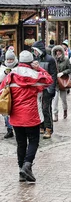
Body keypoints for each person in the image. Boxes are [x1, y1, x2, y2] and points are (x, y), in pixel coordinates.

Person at [0, 51, 53, 182]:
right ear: (31, 61)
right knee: (34, 141)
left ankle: (21, 171)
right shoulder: (36, 75)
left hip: (16, 116)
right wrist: (39, 68)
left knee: (21, 143)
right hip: (32, 115)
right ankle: (27, 165)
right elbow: (49, 80)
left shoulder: (11, 75)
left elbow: (2, 90)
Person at [32, 41, 57, 139]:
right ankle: (41, 126)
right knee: (39, 108)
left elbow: (53, 75)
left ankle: (48, 128)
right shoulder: (34, 59)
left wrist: (51, 89)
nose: (34, 52)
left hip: (47, 88)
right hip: (38, 88)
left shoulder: (50, 59)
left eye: (35, 50)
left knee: (46, 108)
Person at [0, 49, 18, 138]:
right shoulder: (3, 67)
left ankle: (16, 128)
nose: (9, 61)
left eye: (11, 59)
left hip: (16, 92)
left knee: (15, 111)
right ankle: (9, 129)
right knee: (6, 110)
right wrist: (4, 73)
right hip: (5, 92)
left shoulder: (18, 67)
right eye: (8, 59)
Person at [51, 45, 71, 122]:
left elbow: (70, 69)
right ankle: (55, 115)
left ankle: (65, 111)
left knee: (63, 99)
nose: (58, 53)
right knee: (55, 100)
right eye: (56, 51)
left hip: (63, 82)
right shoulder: (52, 60)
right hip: (55, 83)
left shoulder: (66, 60)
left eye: (59, 51)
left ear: (62, 52)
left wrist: (63, 73)